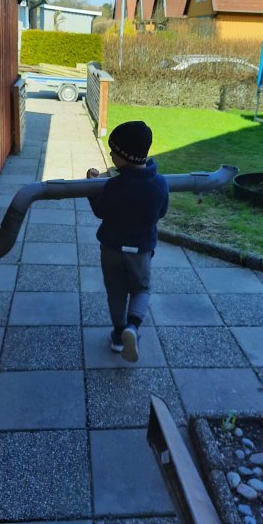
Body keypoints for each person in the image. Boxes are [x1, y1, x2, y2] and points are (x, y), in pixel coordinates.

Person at [86, 121, 169, 363]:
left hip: (112, 248)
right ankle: (133, 327)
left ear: (124, 155)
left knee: (116, 292)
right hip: (140, 251)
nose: (110, 154)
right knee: (141, 288)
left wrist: (92, 186)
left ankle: (118, 334)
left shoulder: (114, 185)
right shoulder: (160, 183)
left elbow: (100, 210)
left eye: (114, 151)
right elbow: (161, 212)